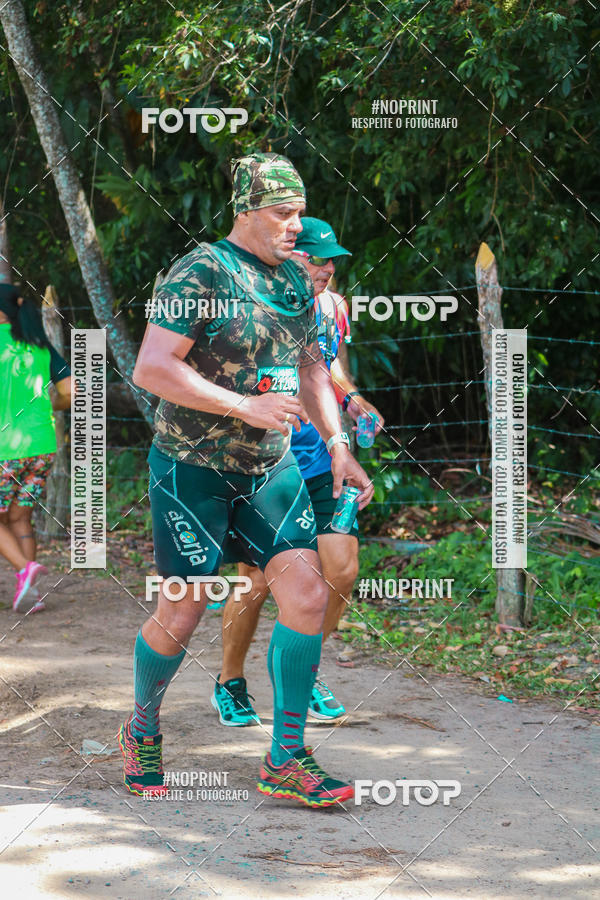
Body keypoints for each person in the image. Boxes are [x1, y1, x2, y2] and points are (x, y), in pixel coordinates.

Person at [120, 152, 374, 808]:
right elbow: (151, 367)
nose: (296, 226)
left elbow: (316, 370)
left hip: (270, 469)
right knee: (183, 609)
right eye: (284, 214)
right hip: (191, 470)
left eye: (300, 213)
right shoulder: (200, 270)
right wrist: (244, 406)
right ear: (247, 210)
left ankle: (285, 758)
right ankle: (143, 727)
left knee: (309, 597)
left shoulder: (295, 279)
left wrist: (340, 446)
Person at [212, 217, 384, 727]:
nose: (327, 268)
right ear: (288, 255)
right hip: (264, 462)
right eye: (316, 258)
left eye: (331, 259)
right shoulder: (253, 306)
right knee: (258, 579)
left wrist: (350, 400)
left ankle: (301, 670)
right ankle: (230, 679)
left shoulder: (333, 306)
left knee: (343, 568)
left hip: (323, 458)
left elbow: (327, 364)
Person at [0, 284, 72, 613]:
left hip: (6, 448)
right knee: (19, 518)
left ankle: (24, 570)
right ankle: (30, 594)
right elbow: (71, 392)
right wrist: (47, 405)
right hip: (42, 445)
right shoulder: (40, 346)